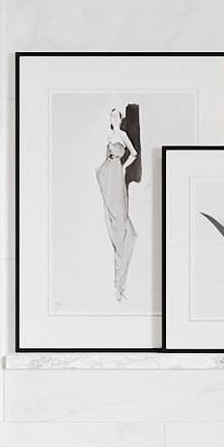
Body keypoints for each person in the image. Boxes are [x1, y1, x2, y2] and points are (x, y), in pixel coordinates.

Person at [95, 103, 143, 301]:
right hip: (108, 175)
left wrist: (123, 168)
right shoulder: (108, 136)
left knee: (121, 223)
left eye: (117, 116)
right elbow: (104, 157)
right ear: (110, 120)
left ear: (121, 119)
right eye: (112, 116)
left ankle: (119, 285)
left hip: (117, 176)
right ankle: (118, 285)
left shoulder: (122, 135)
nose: (114, 119)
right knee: (111, 218)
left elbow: (134, 153)